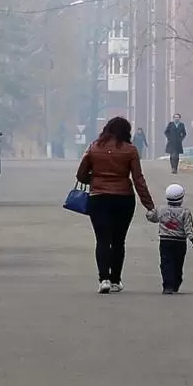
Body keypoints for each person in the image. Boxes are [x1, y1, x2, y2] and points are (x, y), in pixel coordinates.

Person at [76, 117, 155, 294]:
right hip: (123, 198)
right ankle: (115, 280)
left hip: (98, 198)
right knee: (119, 240)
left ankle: (103, 279)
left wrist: (95, 180)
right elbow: (138, 179)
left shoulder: (94, 147)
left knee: (102, 239)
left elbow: (80, 174)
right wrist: (149, 205)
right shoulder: (130, 150)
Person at [146, 183, 193, 294]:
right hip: (180, 242)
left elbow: (152, 217)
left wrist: (149, 211)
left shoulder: (161, 209)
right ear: (182, 197)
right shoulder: (185, 212)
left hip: (165, 241)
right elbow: (189, 227)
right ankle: (176, 283)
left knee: (166, 263)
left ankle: (168, 286)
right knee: (178, 263)